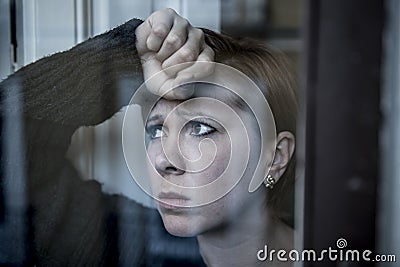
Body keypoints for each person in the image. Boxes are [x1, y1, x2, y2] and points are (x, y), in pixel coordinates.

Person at [135, 9, 298, 267]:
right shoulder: (129, 243)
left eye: (200, 129)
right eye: (156, 130)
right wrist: (134, 46)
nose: (164, 160)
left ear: (274, 157)